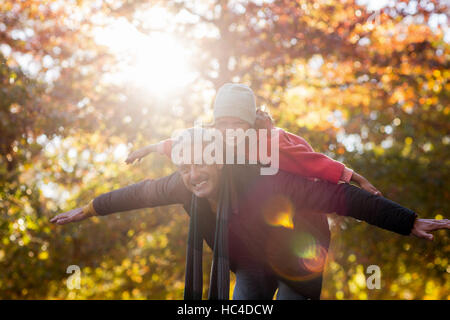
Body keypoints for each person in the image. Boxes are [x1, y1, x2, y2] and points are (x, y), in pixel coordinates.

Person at [50, 127, 449, 300]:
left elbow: (342, 198)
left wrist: (406, 221)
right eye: (185, 168)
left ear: (220, 163)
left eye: (200, 166)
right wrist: (84, 211)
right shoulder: (182, 185)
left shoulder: (266, 181)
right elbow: (134, 194)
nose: (192, 175)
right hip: (250, 265)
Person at [125, 83, 381, 195]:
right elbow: (183, 144)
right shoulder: (217, 140)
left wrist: (359, 180)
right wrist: (148, 148)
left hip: (305, 199)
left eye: (237, 123)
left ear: (249, 124)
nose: (229, 130)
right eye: (222, 124)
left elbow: (315, 162)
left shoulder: (270, 143)